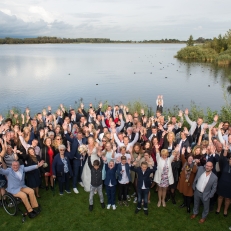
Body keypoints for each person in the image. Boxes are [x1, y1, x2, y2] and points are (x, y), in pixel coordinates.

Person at [177, 149, 198, 213]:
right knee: (184, 193)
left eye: (191, 159)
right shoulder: (185, 163)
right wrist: (182, 152)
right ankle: (184, 203)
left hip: (189, 183)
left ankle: (188, 206)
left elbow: (194, 171)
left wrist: (195, 163)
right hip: (183, 182)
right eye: (189, 158)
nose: (190, 160)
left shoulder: (194, 166)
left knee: (188, 195)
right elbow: (182, 157)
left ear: (193, 159)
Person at [216, 146, 231, 216]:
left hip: (229, 185)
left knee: (228, 198)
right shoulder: (226, 163)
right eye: (230, 159)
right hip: (222, 183)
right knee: (220, 196)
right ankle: (218, 208)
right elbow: (224, 157)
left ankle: (225, 210)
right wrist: (225, 150)